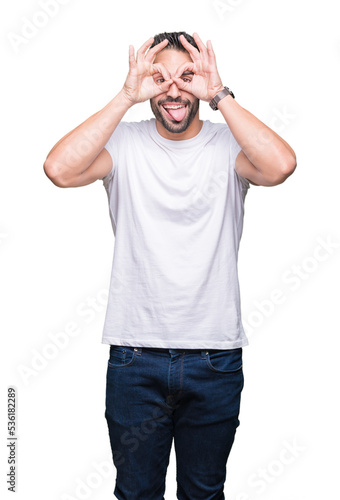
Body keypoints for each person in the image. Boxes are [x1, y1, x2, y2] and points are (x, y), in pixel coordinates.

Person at [43, 31, 296, 500]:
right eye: (160, 78)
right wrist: (125, 96)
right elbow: (59, 169)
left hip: (214, 358)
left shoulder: (229, 147)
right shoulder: (123, 144)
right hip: (135, 358)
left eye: (187, 76)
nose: (175, 90)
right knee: (137, 494)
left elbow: (281, 165)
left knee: (203, 493)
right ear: (146, 84)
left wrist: (219, 94)